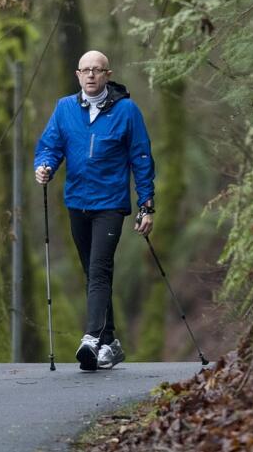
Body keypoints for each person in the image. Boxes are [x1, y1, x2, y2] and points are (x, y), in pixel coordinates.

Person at [34, 50, 156, 371]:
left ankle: (90, 338)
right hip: (77, 203)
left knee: (99, 268)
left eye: (97, 70)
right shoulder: (64, 108)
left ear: (107, 75)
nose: (91, 76)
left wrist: (146, 205)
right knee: (92, 272)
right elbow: (50, 146)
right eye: (85, 70)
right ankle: (110, 343)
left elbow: (141, 158)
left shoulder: (126, 111)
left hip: (111, 205)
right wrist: (44, 166)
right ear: (77, 74)